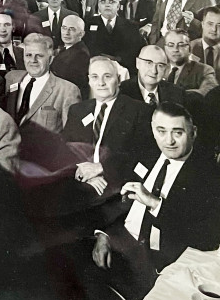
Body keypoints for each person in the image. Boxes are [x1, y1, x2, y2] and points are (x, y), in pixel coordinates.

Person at [68, 103, 220, 300]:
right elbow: (117, 201)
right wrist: (104, 235)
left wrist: (155, 203)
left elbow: (209, 236)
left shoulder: (211, 176)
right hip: (121, 241)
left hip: (159, 262)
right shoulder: (147, 154)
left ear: (193, 132)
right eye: (161, 131)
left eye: (178, 132)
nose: (169, 141)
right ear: (153, 129)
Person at [63, 57, 154, 198]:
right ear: (89, 80)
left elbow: (144, 155)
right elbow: (64, 149)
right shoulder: (77, 110)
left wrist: (101, 168)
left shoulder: (139, 110)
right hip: (80, 183)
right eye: (95, 77)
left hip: (116, 189)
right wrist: (86, 174)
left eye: (107, 77)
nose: (101, 83)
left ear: (118, 79)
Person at [2, 33, 80, 135]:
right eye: (29, 55)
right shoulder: (11, 78)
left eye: (39, 56)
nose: (33, 60)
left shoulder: (68, 91)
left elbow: (71, 137)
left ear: (51, 59)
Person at [82, 0, 145, 74]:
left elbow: (135, 51)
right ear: (99, 6)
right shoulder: (87, 24)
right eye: (103, 2)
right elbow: (85, 49)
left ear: (118, 6)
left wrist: (118, 60)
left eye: (111, 2)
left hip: (123, 71)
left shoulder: (130, 26)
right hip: (95, 69)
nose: (107, 5)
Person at [119, 45, 185, 107]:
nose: (154, 71)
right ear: (138, 63)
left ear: (166, 69)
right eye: (149, 63)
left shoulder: (176, 93)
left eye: (160, 65)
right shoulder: (121, 92)